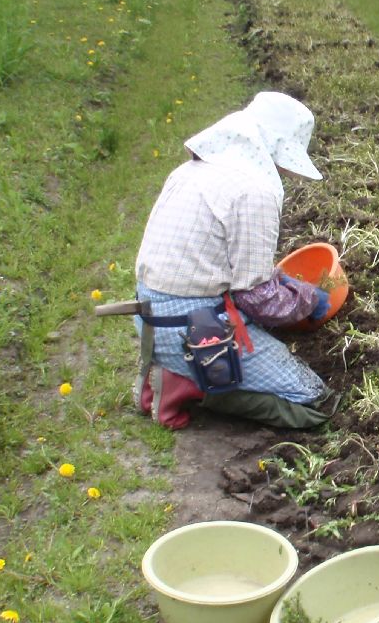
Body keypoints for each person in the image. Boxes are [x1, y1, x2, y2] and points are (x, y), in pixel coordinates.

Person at [132, 91, 337, 430]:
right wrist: (308, 300)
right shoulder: (254, 191)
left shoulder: (191, 171)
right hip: (194, 330)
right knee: (313, 401)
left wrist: (282, 280)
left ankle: (175, 368)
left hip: (151, 318)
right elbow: (256, 297)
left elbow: (220, 263)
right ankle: (192, 385)